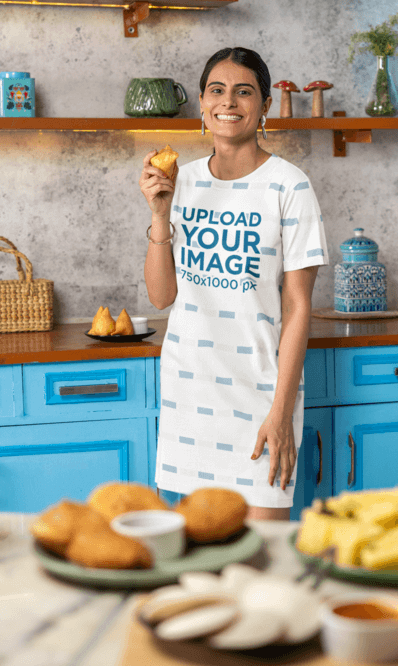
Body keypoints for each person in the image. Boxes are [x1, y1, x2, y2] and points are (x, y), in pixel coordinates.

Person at [139, 47, 328, 521]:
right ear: (202, 104)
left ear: (264, 105)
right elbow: (162, 297)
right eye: (217, 90)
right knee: (203, 563)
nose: (229, 101)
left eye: (244, 91)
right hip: (190, 398)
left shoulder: (290, 186)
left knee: (262, 560)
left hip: (261, 398)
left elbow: (298, 308)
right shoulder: (180, 182)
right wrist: (160, 214)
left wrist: (282, 412)